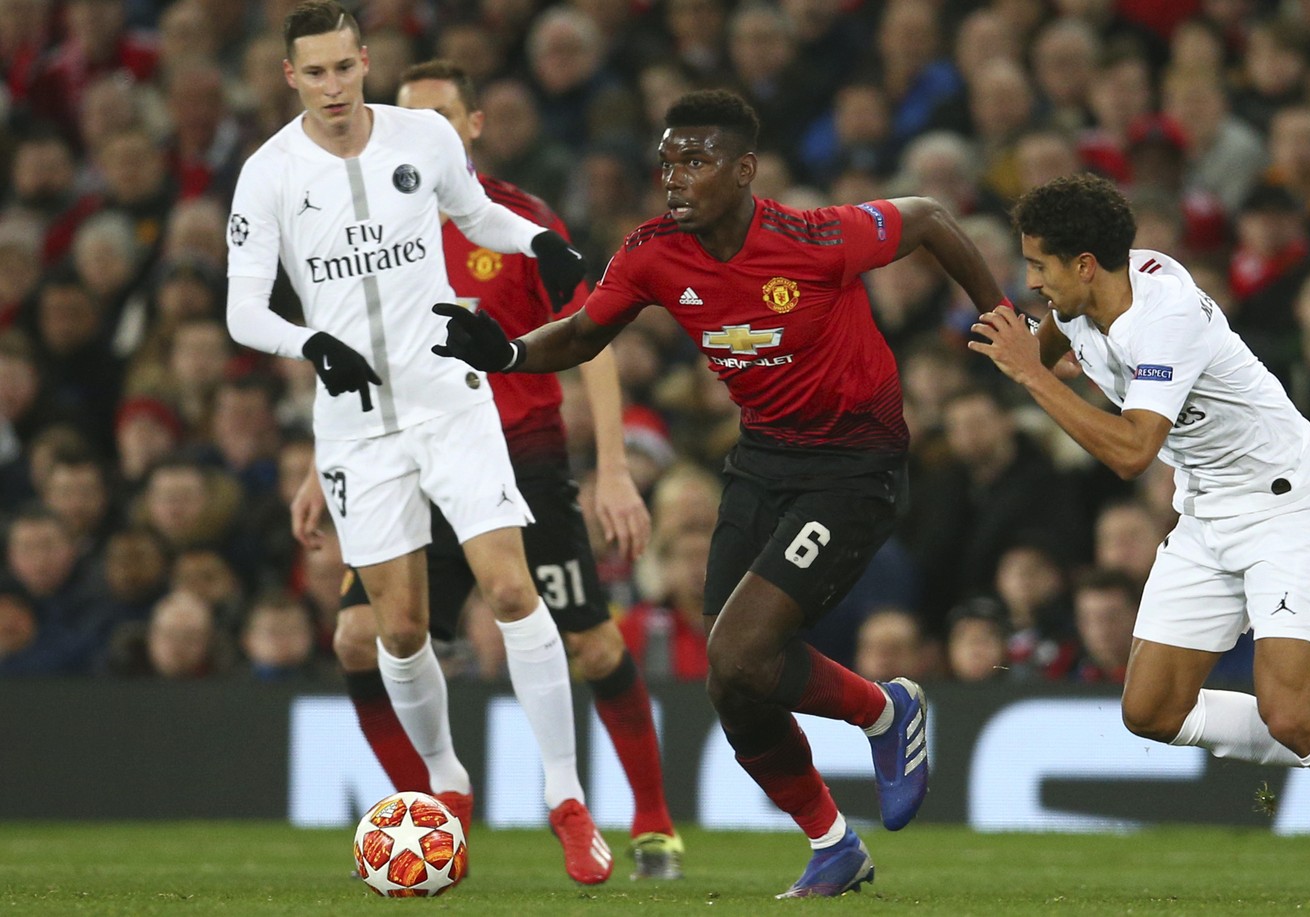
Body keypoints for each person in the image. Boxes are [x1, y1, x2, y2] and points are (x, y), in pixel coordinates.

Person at [433, 89, 1007, 898]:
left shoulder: (815, 237)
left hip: (854, 464)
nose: (675, 175)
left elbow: (931, 216)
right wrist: (507, 351)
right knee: (730, 678)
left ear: (744, 171)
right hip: (763, 459)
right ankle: (835, 838)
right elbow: (586, 330)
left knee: (742, 649)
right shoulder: (654, 250)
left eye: (696, 160)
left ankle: (883, 712)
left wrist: (1001, 316)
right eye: (667, 159)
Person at [968, 174, 1310, 905]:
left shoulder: (1163, 317)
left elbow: (1133, 452)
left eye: (1039, 266)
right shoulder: (1089, 297)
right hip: (1207, 509)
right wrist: (1028, 348)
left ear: (1087, 264)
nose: (1030, 280)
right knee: (1152, 710)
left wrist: (1032, 376)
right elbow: (1057, 342)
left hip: (1283, 501)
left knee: (1291, 712)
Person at [223, 1, 608, 884]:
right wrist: (308, 341)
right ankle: (445, 781)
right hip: (356, 424)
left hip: (449, 399)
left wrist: (544, 242)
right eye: (311, 72)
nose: (330, 86)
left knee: (512, 588)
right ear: (290, 77)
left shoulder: (422, 140)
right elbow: (244, 306)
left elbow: (478, 217)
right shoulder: (268, 173)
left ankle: (566, 798)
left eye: (342, 68)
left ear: (365, 61)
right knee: (398, 627)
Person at [289, 58, 681, 882]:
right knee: (362, 635)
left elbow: (592, 337)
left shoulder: (517, 219)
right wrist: (326, 465)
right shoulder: (368, 221)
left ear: (469, 127)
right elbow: (347, 356)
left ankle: (650, 821)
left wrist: (611, 467)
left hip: (520, 454)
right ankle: (428, 815)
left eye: (438, 116)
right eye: (405, 115)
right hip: (399, 452)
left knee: (594, 641)